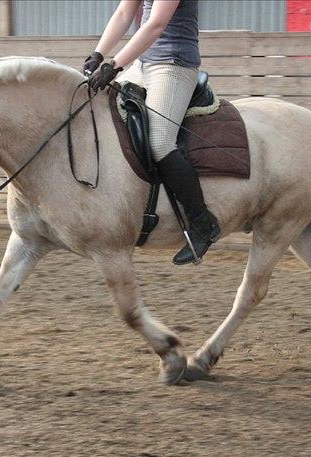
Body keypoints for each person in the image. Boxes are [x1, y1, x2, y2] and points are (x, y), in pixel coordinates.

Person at [83, 0, 220, 265]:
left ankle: (203, 223)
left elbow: (156, 24)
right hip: (143, 64)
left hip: (173, 64)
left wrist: (114, 65)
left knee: (159, 142)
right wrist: (98, 54)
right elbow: (124, 13)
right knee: (97, 109)